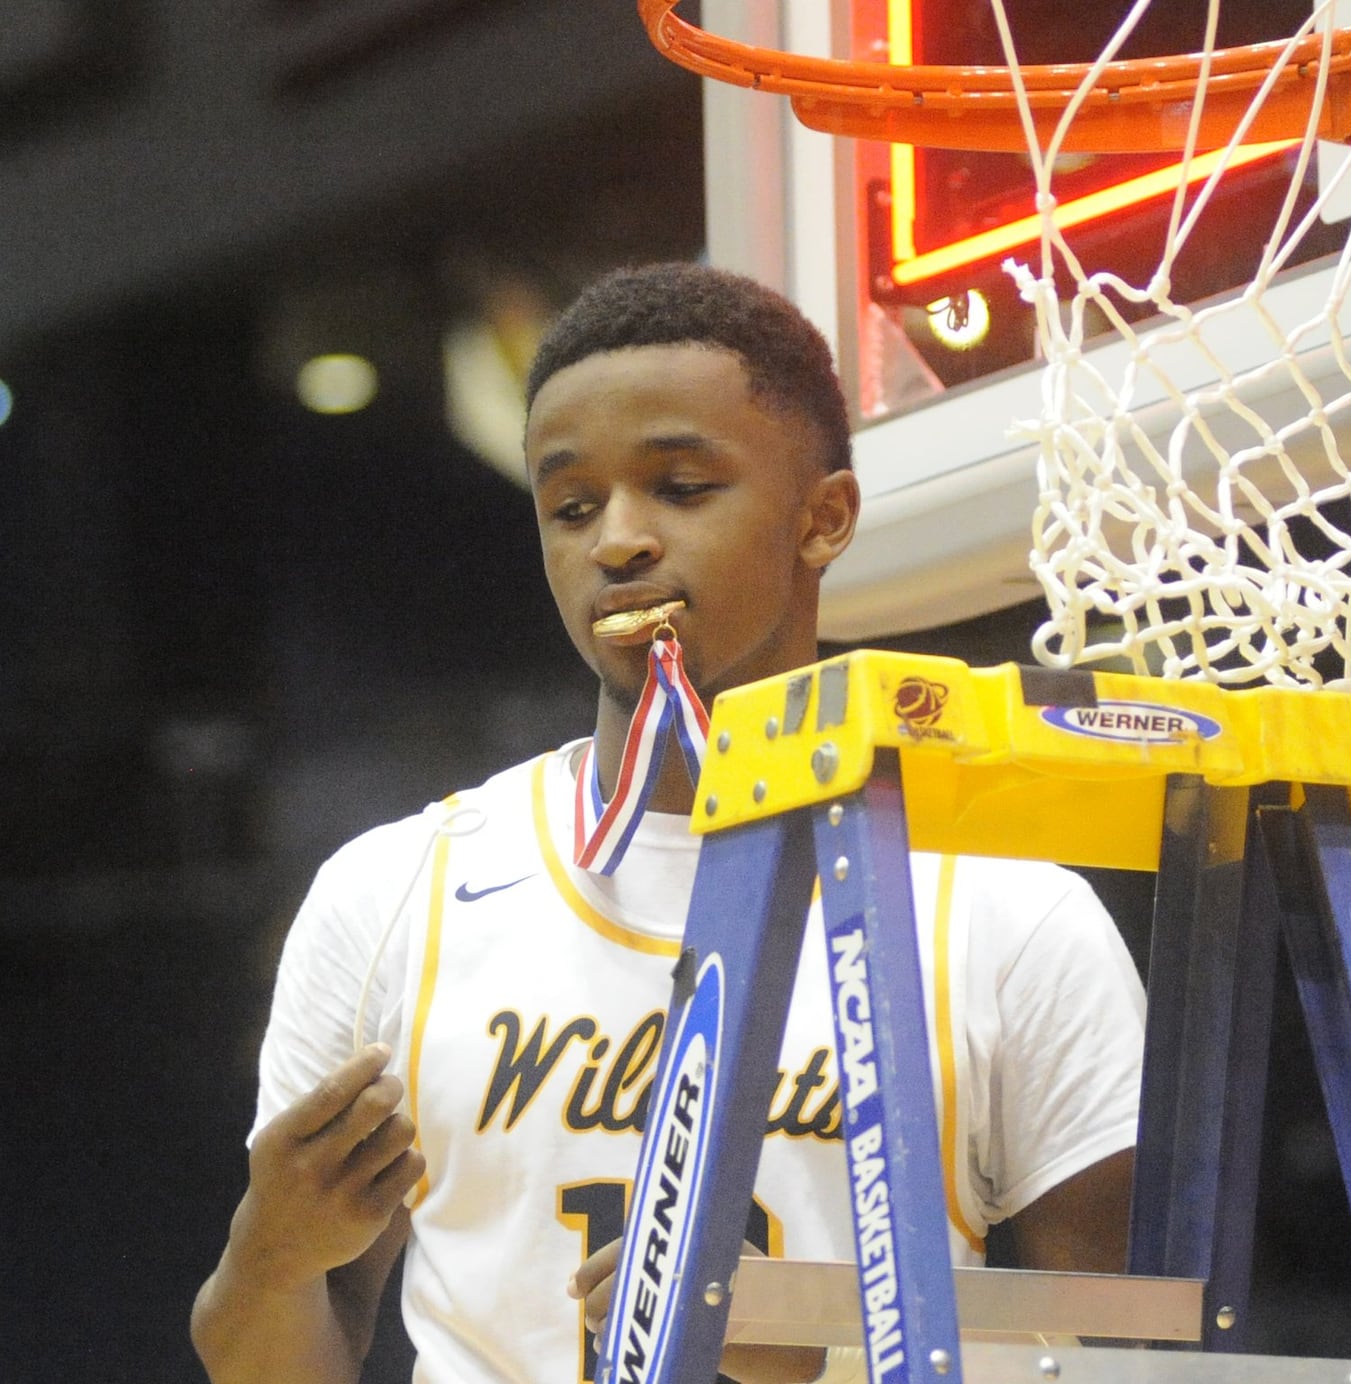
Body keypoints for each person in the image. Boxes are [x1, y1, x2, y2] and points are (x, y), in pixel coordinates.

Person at [190, 262, 1147, 1384]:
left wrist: (824, 1343)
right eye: (572, 506)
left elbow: (1122, 1356)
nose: (618, 542)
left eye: (680, 487)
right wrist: (266, 1258)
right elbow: (267, 1358)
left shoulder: (1006, 909)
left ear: (824, 515)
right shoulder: (392, 890)